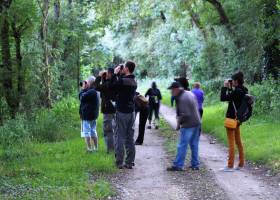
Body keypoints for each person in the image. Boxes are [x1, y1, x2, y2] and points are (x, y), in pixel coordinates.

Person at [167, 82, 201, 171]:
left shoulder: (182, 98)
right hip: (197, 122)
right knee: (194, 144)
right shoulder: (189, 93)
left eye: (172, 90)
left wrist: (178, 124)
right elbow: (196, 107)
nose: (171, 92)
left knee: (182, 145)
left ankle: (178, 165)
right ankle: (195, 164)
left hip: (188, 124)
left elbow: (185, 114)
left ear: (176, 89)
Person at [109, 61, 137, 169]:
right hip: (131, 112)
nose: (122, 68)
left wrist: (115, 74)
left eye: (124, 67)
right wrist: (120, 75)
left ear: (127, 68)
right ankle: (129, 162)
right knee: (129, 137)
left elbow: (112, 87)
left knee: (119, 136)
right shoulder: (134, 81)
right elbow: (121, 84)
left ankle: (119, 162)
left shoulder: (122, 81)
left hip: (121, 112)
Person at [220, 71, 248, 172]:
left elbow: (223, 98)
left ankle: (230, 165)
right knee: (238, 142)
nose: (232, 82)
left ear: (236, 81)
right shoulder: (244, 90)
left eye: (233, 80)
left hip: (231, 119)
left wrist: (224, 87)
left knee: (231, 143)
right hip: (238, 119)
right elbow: (233, 98)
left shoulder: (237, 91)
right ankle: (241, 164)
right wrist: (230, 88)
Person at [95, 68, 116, 153]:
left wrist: (99, 76)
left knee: (108, 130)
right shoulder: (114, 82)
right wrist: (104, 78)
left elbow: (96, 86)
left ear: (110, 74)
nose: (105, 75)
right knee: (114, 129)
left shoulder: (108, 85)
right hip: (113, 108)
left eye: (106, 73)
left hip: (108, 109)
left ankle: (110, 150)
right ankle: (114, 148)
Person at [79, 76, 99, 152]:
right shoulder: (94, 91)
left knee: (86, 132)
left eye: (86, 82)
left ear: (90, 83)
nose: (85, 83)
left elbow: (81, 98)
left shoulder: (91, 91)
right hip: (93, 115)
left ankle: (89, 149)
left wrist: (83, 89)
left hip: (88, 115)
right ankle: (95, 148)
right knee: (93, 131)